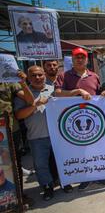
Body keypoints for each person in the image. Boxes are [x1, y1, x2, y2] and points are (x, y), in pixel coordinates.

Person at [15, 66, 72, 200]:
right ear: (28, 78)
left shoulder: (54, 90)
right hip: (37, 136)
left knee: (61, 160)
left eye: (40, 75)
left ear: (45, 75)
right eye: (34, 75)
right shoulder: (23, 93)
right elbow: (19, 115)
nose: (37, 78)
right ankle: (47, 187)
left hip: (58, 135)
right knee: (41, 165)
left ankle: (65, 182)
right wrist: (34, 105)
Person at [55, 47, 101, 191]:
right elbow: (57, 93)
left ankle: (97, 175)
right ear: (73, 60)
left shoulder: (94, 76)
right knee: (77, 152)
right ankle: (82, 178)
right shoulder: (64, 76)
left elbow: (98, 94)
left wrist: (104, 93)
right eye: (77, 57)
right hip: (72, 122)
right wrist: (77, 91)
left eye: (82, 57)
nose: (80, 60)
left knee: (94, 149)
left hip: (93, 121)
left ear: (87, 60)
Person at [0, 71, 34, 202]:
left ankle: (19, 196)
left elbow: (30, 101)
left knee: (14, 162)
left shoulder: (9, 82)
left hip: (10, 129)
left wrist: (23, 83)